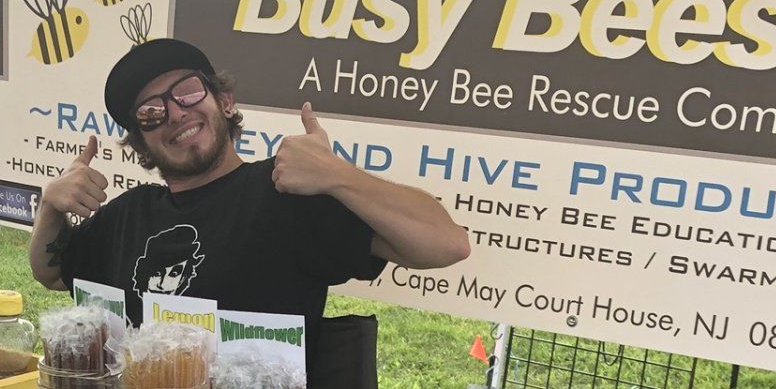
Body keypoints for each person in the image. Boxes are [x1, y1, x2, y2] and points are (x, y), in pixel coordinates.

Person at [30, 38, 468, 348]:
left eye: (186, 91)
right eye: (150, 113)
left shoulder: (284, 196)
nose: (174, 113)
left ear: (225, 101)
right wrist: (51, 206)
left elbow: (447, 244)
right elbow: (51, 273)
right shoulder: (129, 214)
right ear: (142, 143)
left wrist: (340, 176)